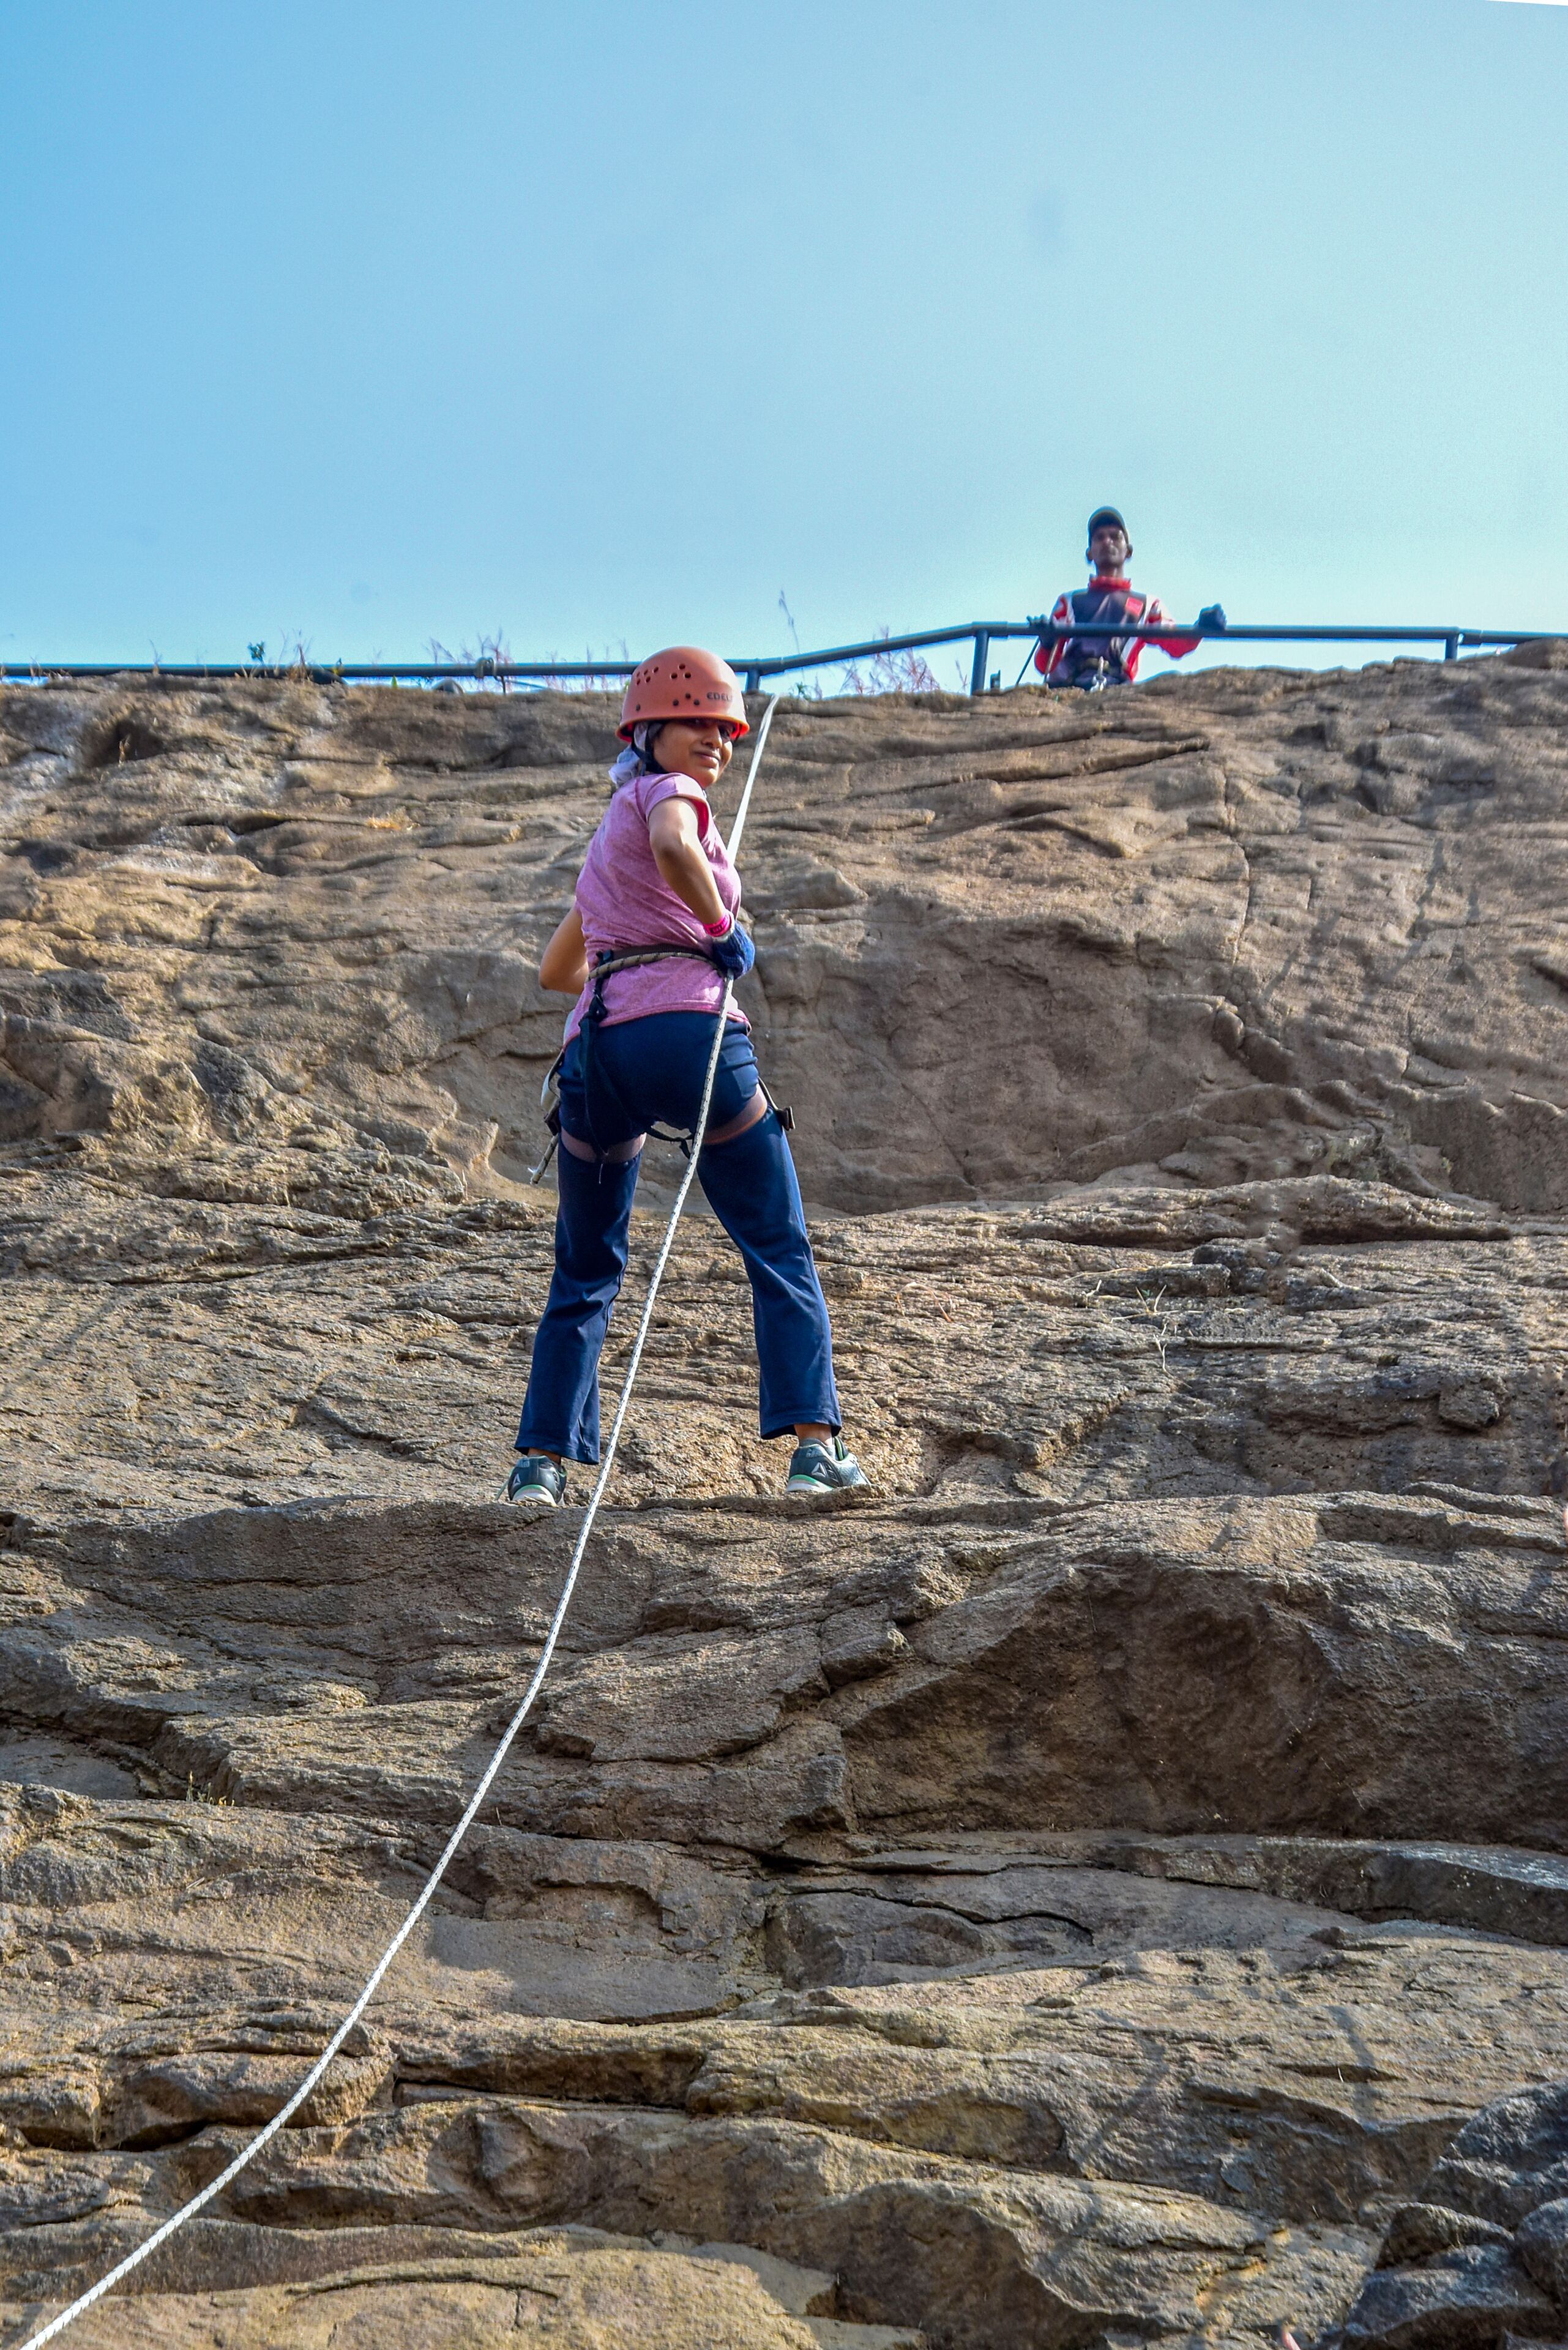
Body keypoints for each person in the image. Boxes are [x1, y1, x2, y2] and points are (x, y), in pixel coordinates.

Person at [506, 645, 870, 1509]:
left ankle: (538, 1467)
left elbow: (558, 970)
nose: (716, 741)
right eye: (699, 723)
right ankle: (815, 1449)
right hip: (686, 1034)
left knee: (584, 1269)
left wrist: (635, 942)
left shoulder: (607, 837)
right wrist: (711, 926)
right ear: (649, 729)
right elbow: (676, 843)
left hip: (596, 1057)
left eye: (724, 728)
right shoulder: (671, 800)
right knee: (775, 1239)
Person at [1030, 508, 1225, 691]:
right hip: (1067, 688)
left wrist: (1201, 628)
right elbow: (1044, 665)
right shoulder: (1069, 602)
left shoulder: (1148, 605)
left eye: (1115, 537)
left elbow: (1176, 646)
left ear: (1128, 551)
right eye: (1099, 538)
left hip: (1117, 691)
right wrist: (1047, 643)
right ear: (1089, 553)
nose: (1107, 542)